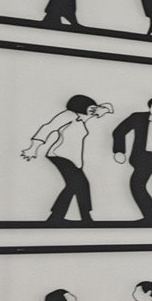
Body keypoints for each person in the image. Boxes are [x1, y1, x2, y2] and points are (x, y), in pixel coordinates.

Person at [22, 95, 115, 223]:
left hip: (74, 160)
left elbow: (109, 108)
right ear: (80, 107)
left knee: (76, 185)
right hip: (60, 156)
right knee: (79, 184)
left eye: (94, 109)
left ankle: (57, 217)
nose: (93, 112)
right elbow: (48, 127)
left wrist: (102, 109)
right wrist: (33, 147)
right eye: (91, 109)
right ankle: (84, 217)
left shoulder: (82, 118)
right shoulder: (68, 115)